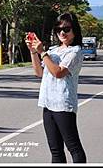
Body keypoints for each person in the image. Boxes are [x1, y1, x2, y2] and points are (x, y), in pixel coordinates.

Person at [25, 12, 87, 163]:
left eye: (66, 29)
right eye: (58, 29)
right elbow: (39, 73)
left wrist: (42, 52)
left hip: (63, 104)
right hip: (48, 103)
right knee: (55, 150)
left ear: (74, 30)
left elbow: (58, 72)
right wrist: (33, 51)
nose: (62, 33)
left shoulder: (75, 51)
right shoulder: (53, 50)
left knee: (73, 147)